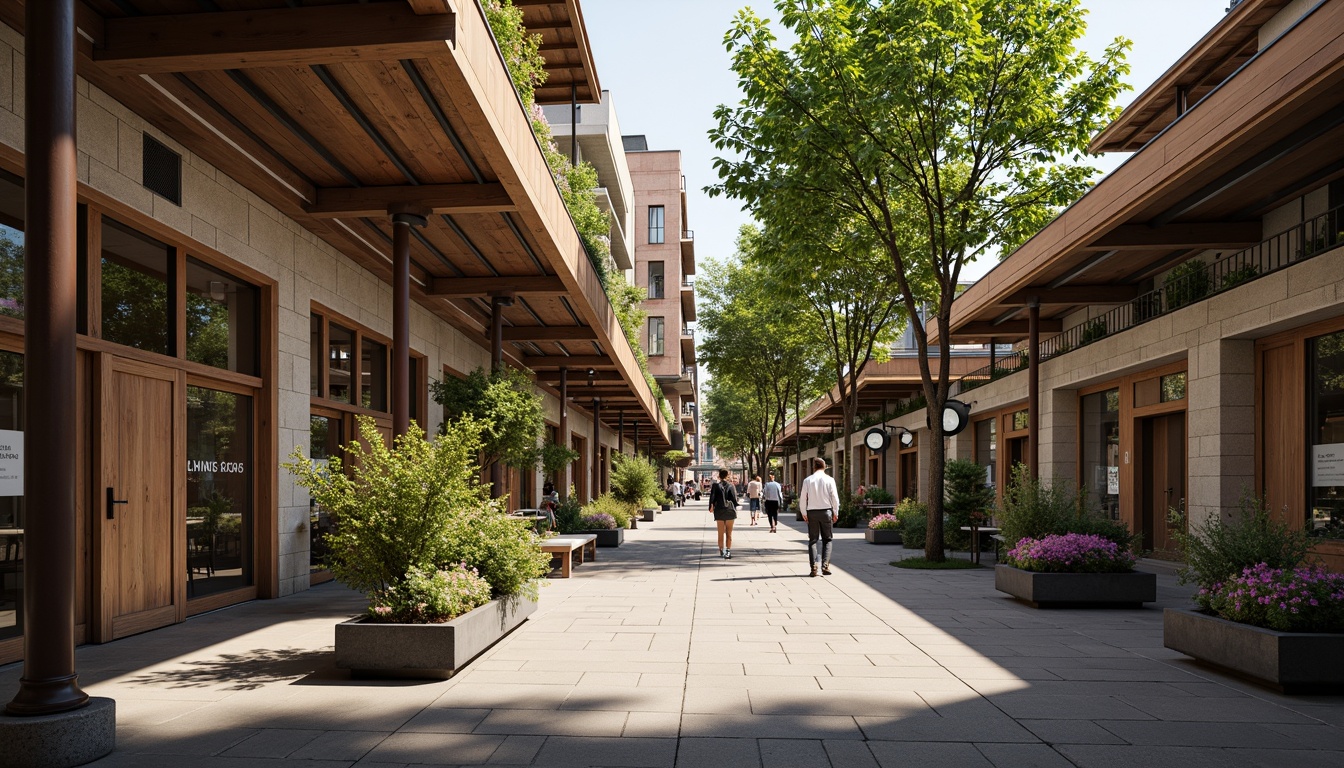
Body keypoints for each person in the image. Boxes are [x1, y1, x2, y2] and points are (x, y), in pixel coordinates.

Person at [798, 457, 840, 577]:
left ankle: (814, 567)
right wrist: (835, 512)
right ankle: (825, 565)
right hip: (826, 512)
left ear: (814, 467)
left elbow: (802, 499)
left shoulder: (807, 480)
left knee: (813, 540)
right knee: (827, 539)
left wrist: (804, 513)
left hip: (812, 512)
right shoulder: (830, 480)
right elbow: (835, 498)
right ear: (825, 466)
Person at [708, 468, 738, 559]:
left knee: (720, 533)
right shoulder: (731, 486)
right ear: (727, 475)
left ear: (719, 476)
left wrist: (711, 507)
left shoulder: (715, 485)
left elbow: (712, 497)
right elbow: (734, 499)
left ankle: (721, 550)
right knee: (729, 533)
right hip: (729, 511)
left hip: (719, 510)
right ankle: (728, 551)